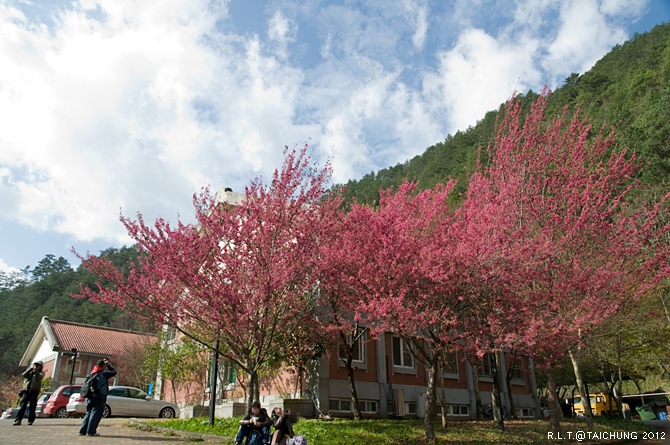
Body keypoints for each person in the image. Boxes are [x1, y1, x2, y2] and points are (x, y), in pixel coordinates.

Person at [79, 358, 116, 437]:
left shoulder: (92, 373)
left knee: (88, 413)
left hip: (90, 396)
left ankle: (82, 431)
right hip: (99, 397)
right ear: (103, 365)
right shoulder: (103, 374)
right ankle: (91, 431)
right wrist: (108, 365)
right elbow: (114, 372)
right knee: (96, 414)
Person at [13, 361, 44, 426]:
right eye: (35, 365)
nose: (36, 367)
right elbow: (24, 375)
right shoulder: (30, 372)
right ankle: (18, 420)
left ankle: (30, 420)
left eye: (38, 365)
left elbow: (39, 377)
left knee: (32, 407)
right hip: (26, 390)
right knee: (22, 406)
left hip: (34, 391)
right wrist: (30, 368)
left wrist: (36, 371)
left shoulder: (41, 373)